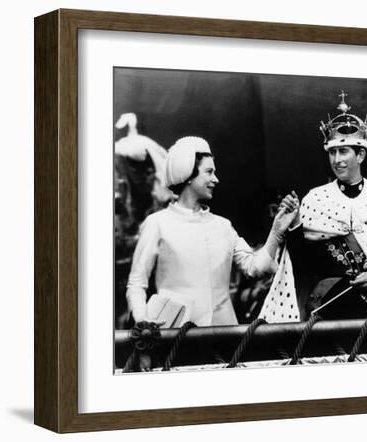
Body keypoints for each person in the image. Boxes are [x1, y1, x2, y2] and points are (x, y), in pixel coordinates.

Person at [260, 91, 367, 322]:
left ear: (360, 155)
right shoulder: (315, 199)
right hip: (331, 310)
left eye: (343, 151)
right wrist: (295, 224)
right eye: (332, 152)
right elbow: (304, 265)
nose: (337, 160)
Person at [125, 136, 297, 327]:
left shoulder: (223, 226)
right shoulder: (157, 223)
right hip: (174, 337)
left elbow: (254, 268)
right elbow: (136, 284)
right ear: (188, 175)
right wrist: (142, 319)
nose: (216, 179)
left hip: (223, 337)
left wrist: (276, 231)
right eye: (209, 172)